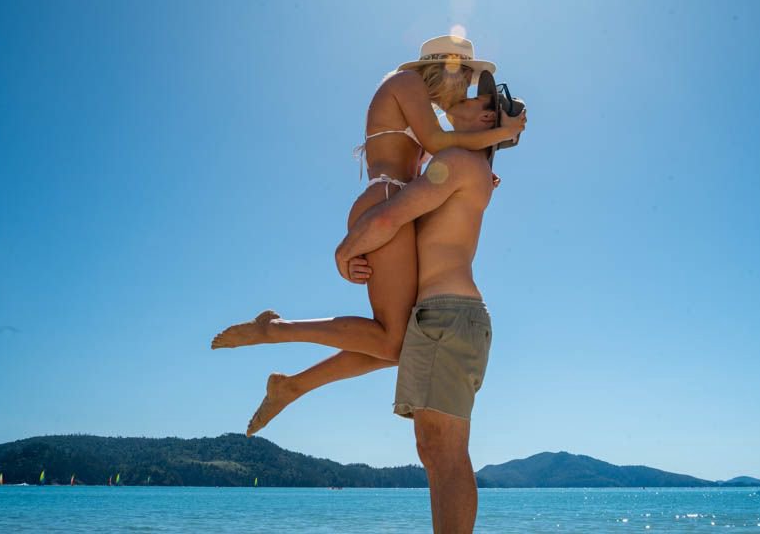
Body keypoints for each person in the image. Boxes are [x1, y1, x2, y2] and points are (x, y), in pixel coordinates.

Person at [211, 36, 525, 436]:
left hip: (392, 205)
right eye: (464, 82)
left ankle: (292, 385)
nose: (463, 93)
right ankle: (275, 331)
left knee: (399, 345)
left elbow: (440, 158)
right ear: (448, 69)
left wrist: (479, 163)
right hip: (386, 201)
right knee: (394, 340)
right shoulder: (405, 83)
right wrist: (496, 135)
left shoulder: (419, 108)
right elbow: (438, 144)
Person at [334, 135, 515, 532]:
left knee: (444, 452)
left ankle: (278, 344)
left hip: (446, 315)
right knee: (435, 450)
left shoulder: (459, 162)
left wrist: (344, 253)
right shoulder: (454, 168)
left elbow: (385, 220)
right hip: (442, 317)